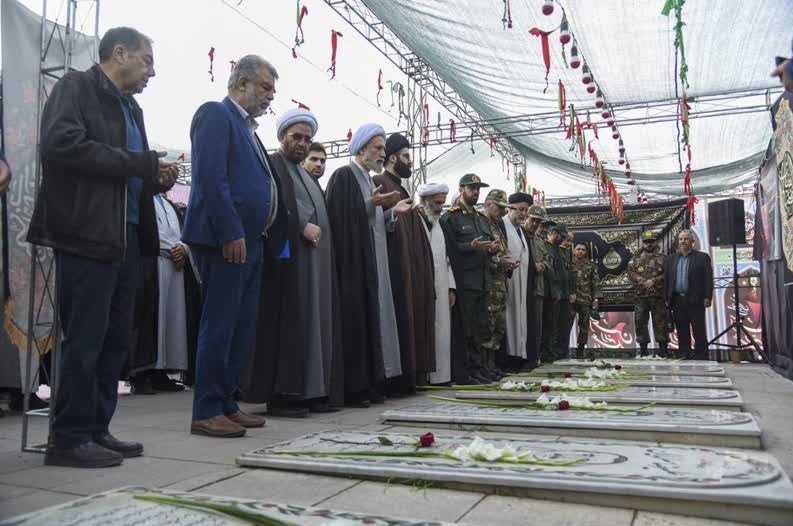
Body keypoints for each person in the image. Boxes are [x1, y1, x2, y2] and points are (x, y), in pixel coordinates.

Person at [26, 27, 178, 467]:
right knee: (85, 337)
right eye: (147, 61)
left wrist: (156, 177)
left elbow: (131, 171)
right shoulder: (76, 87)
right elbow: (61, 146)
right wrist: (139, 163)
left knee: (114, 342)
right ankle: (67, 438)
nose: (152, 71)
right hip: (86, 233)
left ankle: (96, 428)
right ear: (120, 52)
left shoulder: (132, 107)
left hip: (127, 236)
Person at [182, 55, 287, 438]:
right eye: (264, 88)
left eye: (271, 91)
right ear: (241, 83)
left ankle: (226, 402)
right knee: (220, 323)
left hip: (251, 241)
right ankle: (206, 409)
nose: (269, 97)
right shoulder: (215, 114)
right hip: (225, 239)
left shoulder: (249, 130)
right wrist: (230, 231)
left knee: (241, 328)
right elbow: (211, 178)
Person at [242, 109, 342, 415]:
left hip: (315, 264)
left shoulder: (305, 175)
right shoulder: (274, 165)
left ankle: (313, 390)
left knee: (316, 323)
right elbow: (272, 203)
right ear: (281, 137)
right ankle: (285, 394)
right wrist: (299, 225)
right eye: (295, 137)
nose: (301, 143)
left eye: (306, 139)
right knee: (291, 323)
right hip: (288, 262)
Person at [325, 124, 415, 406]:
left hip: (374, 264)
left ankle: (371, 383)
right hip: (353, 266)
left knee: (374, 322)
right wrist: (371, 203)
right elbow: (339, 217)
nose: (381, 153)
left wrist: (390, 213)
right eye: (377, 148)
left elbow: (373, 220)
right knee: (357, 323)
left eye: (382, 148)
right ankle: (355, 387)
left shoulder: (367, 178)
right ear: (361, 148)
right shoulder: (344, 176)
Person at [373, 133, 435, 392]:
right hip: (393, 270)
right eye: (407, 157)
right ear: (393, 157)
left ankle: (412, 375)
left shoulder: (403, 188)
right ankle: (395, 380)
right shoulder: (379, 182)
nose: (410, 162)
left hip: (411, 269)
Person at [128, 182, 190, 394]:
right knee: (150, 318)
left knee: (171, 320)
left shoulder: (170, 205)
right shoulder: (143, 201)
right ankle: (142, 373)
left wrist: (183, 248)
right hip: (152, 263)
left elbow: (182, 231)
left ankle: (161, 372)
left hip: (175, 266)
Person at [440, 174, 498, 384]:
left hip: (482, 281)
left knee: (481, 328)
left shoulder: (481, 219)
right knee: (465, 329)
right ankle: (464, 372)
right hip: (464, 282)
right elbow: (447, 250)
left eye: (478, 189)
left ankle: (477, 368)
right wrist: (470, 246)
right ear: (461, 189)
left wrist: (492, 249)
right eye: (471, 188)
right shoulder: (451, 217)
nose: (475, 192)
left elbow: (486, 246)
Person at [417, 183, 457, 385]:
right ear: (424, 201)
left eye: (442, 203)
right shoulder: (415, 220)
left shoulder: (440, 225)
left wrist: (451, 286)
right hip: (421, 286)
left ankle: (440, 377)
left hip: (441, 288)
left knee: (441, 330)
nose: (440, 207)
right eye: (436, 203)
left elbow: (447, 258)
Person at [481, 189, 516, 378]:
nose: (503, 212)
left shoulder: (497, 226)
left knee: (498, 327)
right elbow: (480, 255)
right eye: (500, 207)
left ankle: (492, 366)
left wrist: (508, 263)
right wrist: (498, 262)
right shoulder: (480, 223)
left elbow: (500, 252)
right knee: (487, 327)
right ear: (488, 205)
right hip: (488, 285)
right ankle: (484, 367)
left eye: (504, 208)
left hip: (500, 284)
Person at [664, 229, 713, 360]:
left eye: (686, 239)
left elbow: (708, 279)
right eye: (681, 239)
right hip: (677, 299)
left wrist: (708, 297)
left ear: (692, 241)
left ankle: (701, 355)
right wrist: (667, 298)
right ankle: (684, 353)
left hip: (696, 299)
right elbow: (667, 280)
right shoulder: (670, 259)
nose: (683, 242)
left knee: (699, 329)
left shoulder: (702, 257)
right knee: (681, 329)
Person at [502, 193, 532, 369]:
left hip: (522, 283)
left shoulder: (521, 230)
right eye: (520, 209)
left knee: (519, 320)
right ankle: (508, 359)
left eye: (525, 211)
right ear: (509, 208)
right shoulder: (502, 225)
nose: (523, 214)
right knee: (507, 320)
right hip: (508, 283)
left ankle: (519, 356)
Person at [628, 231, 669, 357]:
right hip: (641, 297)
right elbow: (630, 273)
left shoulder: (663, 258)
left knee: (661, 323)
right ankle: (643, 350)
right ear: (642, 243)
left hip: (658, 296)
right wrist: (642, 280)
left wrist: (654, 281)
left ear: (655, 242)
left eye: (651, 241)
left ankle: (663, 350)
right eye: (646, 242)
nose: (649, 244)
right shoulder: (635, 259)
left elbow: (668, 274)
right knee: (640, 323)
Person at [523, 205, 548, 366]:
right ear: (526, 217)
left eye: (538, 222)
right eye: (532, 220)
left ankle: (534, 358)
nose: (534, 224)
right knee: (523, 324)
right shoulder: (517, 235)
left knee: (537, 326)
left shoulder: (539, 240)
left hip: (537, 287)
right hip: (521, 287)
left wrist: (543, 265)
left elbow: (547, 259)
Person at [570, 242, 602, 358]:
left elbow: (596, 284)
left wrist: (596, 299)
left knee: (584, 326)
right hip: (571, 301)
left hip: (585, 300)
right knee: (566, 325)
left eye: (583, 250)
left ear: (586, 252)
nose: (580, 251)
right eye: (578, 249)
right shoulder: (569, 263)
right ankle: (562, 349)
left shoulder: (591, 266)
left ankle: (580, 349)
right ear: (574, 251)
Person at [541, 223, 564, 363]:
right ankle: (545, 353)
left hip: (554, 292)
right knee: (546, 325)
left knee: (552, 324)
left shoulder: (556, 249)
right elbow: (549, 272)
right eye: (561, 236)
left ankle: (549, 352)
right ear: (554, 234)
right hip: (546, 290)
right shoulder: (546, 246)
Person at [556, 227, 576, 358]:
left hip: (566, 294)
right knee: (555, 326)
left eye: (571, 241)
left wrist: (572, 292)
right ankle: (555, 352)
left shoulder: (568, 253)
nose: (569, 244)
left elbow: (570, 275)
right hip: (556, 294)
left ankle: (563, 352)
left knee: (565, 325)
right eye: (567, 240)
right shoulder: (554, 250)